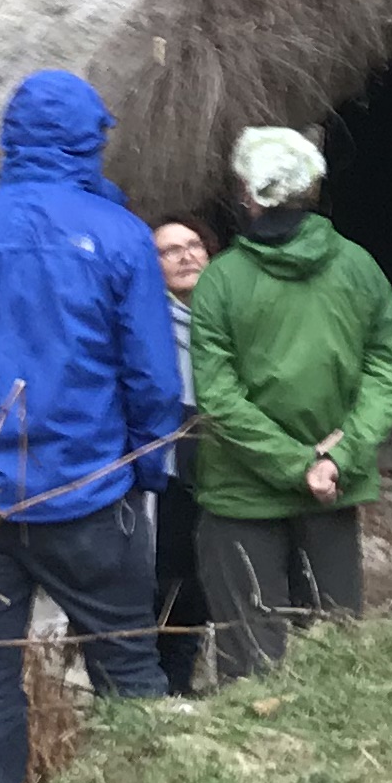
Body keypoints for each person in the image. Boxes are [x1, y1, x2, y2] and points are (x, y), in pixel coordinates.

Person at [0, 69, 185, 783]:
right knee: (126, 657)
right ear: (89, 141)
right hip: (90, 490)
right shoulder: (120, 237)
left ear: (12, 139)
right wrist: (148, 467)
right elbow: (152, 376)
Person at [184, 125, 392, 681]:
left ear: (246, 194)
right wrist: (335, 458)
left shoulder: (220, 281)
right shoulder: (359, 266)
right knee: (335, 648)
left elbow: (218, 396)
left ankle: (256, 732)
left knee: (250, 655)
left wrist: (295, 465)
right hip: (332, 489)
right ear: (311, 189)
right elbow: (389, 370)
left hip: (241, 495)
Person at [150, 214, 215, 691]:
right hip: (169, 456)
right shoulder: (148, 319)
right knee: (171, 570)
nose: (187, 256)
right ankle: (164, 680)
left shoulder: (229, 314)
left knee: (205, 571)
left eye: (194, 245)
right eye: (170, 250)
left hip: (223, 452)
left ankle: (186, 676)